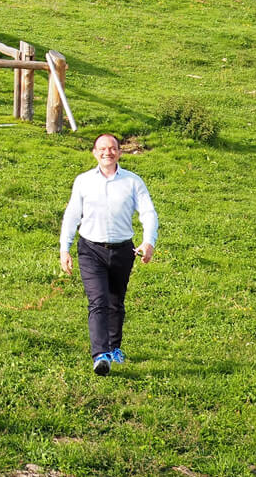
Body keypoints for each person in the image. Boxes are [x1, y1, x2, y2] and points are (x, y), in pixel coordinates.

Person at [60, 133, 159, 376]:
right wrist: (65, 248)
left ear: (119, 152)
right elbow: (73, 215)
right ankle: (100, 355)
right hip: (90, 249)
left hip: (123, 250)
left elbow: (148, 212)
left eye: (113, 148)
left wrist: (149, 242)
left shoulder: (133, 182)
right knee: (99, 302)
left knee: (116, 301)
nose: (108, 152)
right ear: (94, 153)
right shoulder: (83, 181)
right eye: (102, 148)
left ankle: (115, 348)